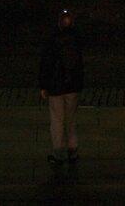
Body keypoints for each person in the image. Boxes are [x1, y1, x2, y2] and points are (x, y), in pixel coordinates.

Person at [39, 10, 84, 171]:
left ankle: (58, 154)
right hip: (73, 86)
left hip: (56, 86)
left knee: (57, 120)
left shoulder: (52, 39)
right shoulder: (77, 38)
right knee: (71, 120)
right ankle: (73, 151)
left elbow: (46, 63)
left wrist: (44, 85)